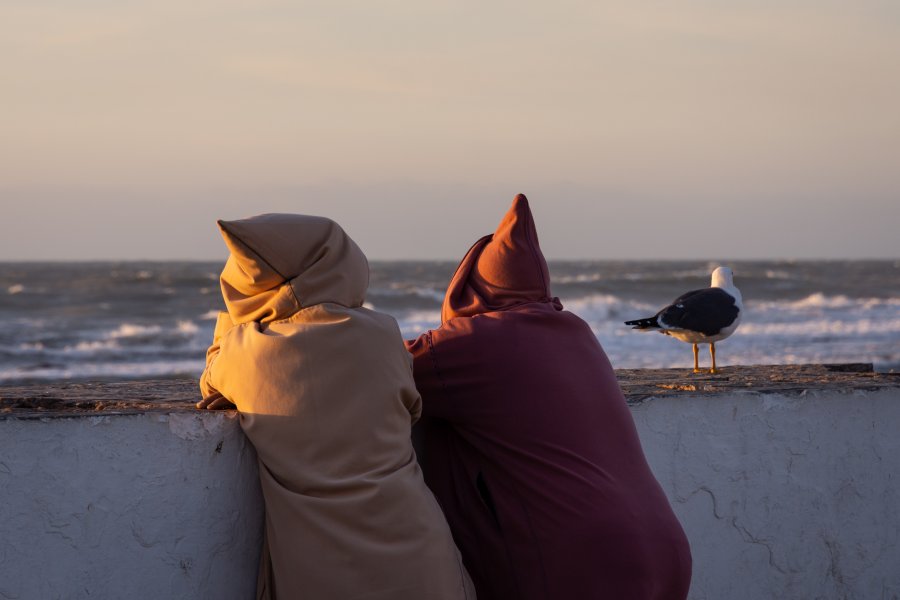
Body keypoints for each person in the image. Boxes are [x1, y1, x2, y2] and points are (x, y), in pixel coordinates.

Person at [406, 195, 692, 600]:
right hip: (664, 547)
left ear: (470, 289)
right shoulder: (575, 332)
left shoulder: (478, 342)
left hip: (579, 557)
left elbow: (378, 366)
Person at [198, 213, 474, 600]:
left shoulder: (248, 354)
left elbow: (211, 375)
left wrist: (241, 318)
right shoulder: (382, 334)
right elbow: (411, 409)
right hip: (420, 557)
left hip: (318, 574)